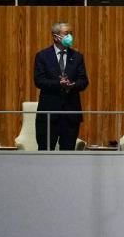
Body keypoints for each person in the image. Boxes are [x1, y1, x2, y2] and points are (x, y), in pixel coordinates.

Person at [33, 22, 88, 151]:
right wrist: (58, 84)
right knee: (45, 152)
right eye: (66, 33)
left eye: (71, 33)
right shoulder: (43, 56)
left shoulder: (77, 57)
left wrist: (72, 85)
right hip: (49, 113)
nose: (70, 36)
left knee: (68, 154)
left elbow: (84, 81)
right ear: (56, 36)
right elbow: (39, 81)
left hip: (70, 114)